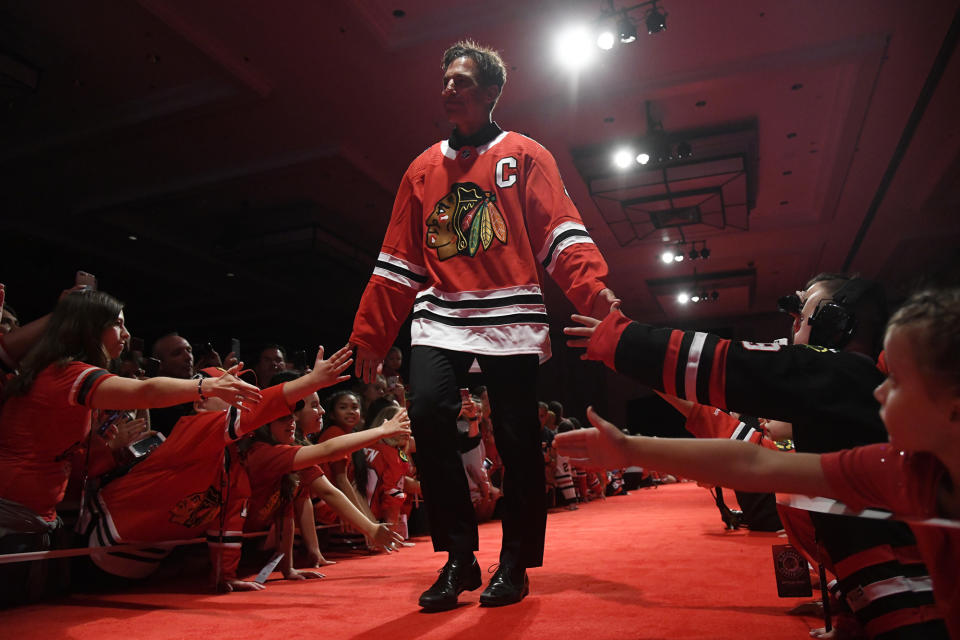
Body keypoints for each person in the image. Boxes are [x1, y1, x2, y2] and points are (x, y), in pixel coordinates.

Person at [350, 40, 618, 610]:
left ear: (493, 91)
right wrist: (371, 335)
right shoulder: (421, 168)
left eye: (463, 80)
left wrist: (594, 292)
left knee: (520, 440)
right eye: (446, 79)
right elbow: (399, 258)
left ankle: (516, 562)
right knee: (425, 414)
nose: (449, 88)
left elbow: (559, 233)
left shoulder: (525, 154)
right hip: (441, 313)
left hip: (510, 315)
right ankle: (459, 559)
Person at [556, 288, 960, 639]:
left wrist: (622, 341)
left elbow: (739, 373)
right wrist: (629, 450)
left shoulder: (843, 374)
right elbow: (754, 464)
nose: (880, 390)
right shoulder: (896, 468)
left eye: (897, 380)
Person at [86, 346, 354, 592]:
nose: (240, 401)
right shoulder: (191, 429)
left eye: (241, 393)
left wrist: (226, 575)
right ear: (199, 403)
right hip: (97, 546)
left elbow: (226, 521)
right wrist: (311, 382)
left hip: (142, 569)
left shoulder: (235, 462)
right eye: (228, 393)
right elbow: (258, 413)